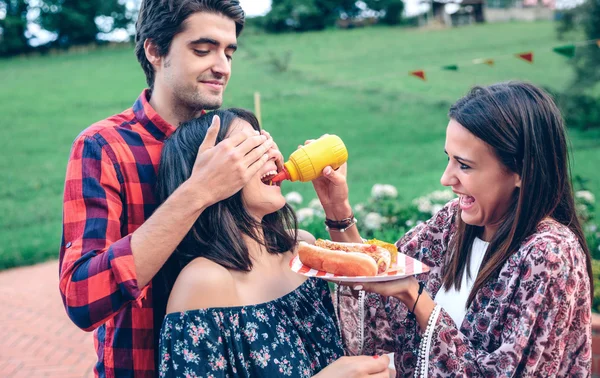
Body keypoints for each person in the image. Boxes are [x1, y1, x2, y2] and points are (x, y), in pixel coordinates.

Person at [58, 1, 281, 376]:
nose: (222, 67)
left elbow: (267, 247)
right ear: (154, 50)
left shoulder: (232, 138)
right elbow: (83, 299)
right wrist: (197, 192)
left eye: (229, 52)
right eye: (202, 49)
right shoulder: (103, 146)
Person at [310, 82, 592, 376]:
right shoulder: (452, 223)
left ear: (521, 171)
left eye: (465, 166)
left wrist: (416, 298)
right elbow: (380, 291)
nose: (446, 179)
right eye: (449, 158)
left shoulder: (550, 254)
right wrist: (337, 210)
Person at [154, 108, 394, 377]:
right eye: (250, 148)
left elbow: (373, 321)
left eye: (265, 141)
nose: (273, 153)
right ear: (208, 175)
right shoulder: (203, 282)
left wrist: (337, 209)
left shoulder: (300, 250)